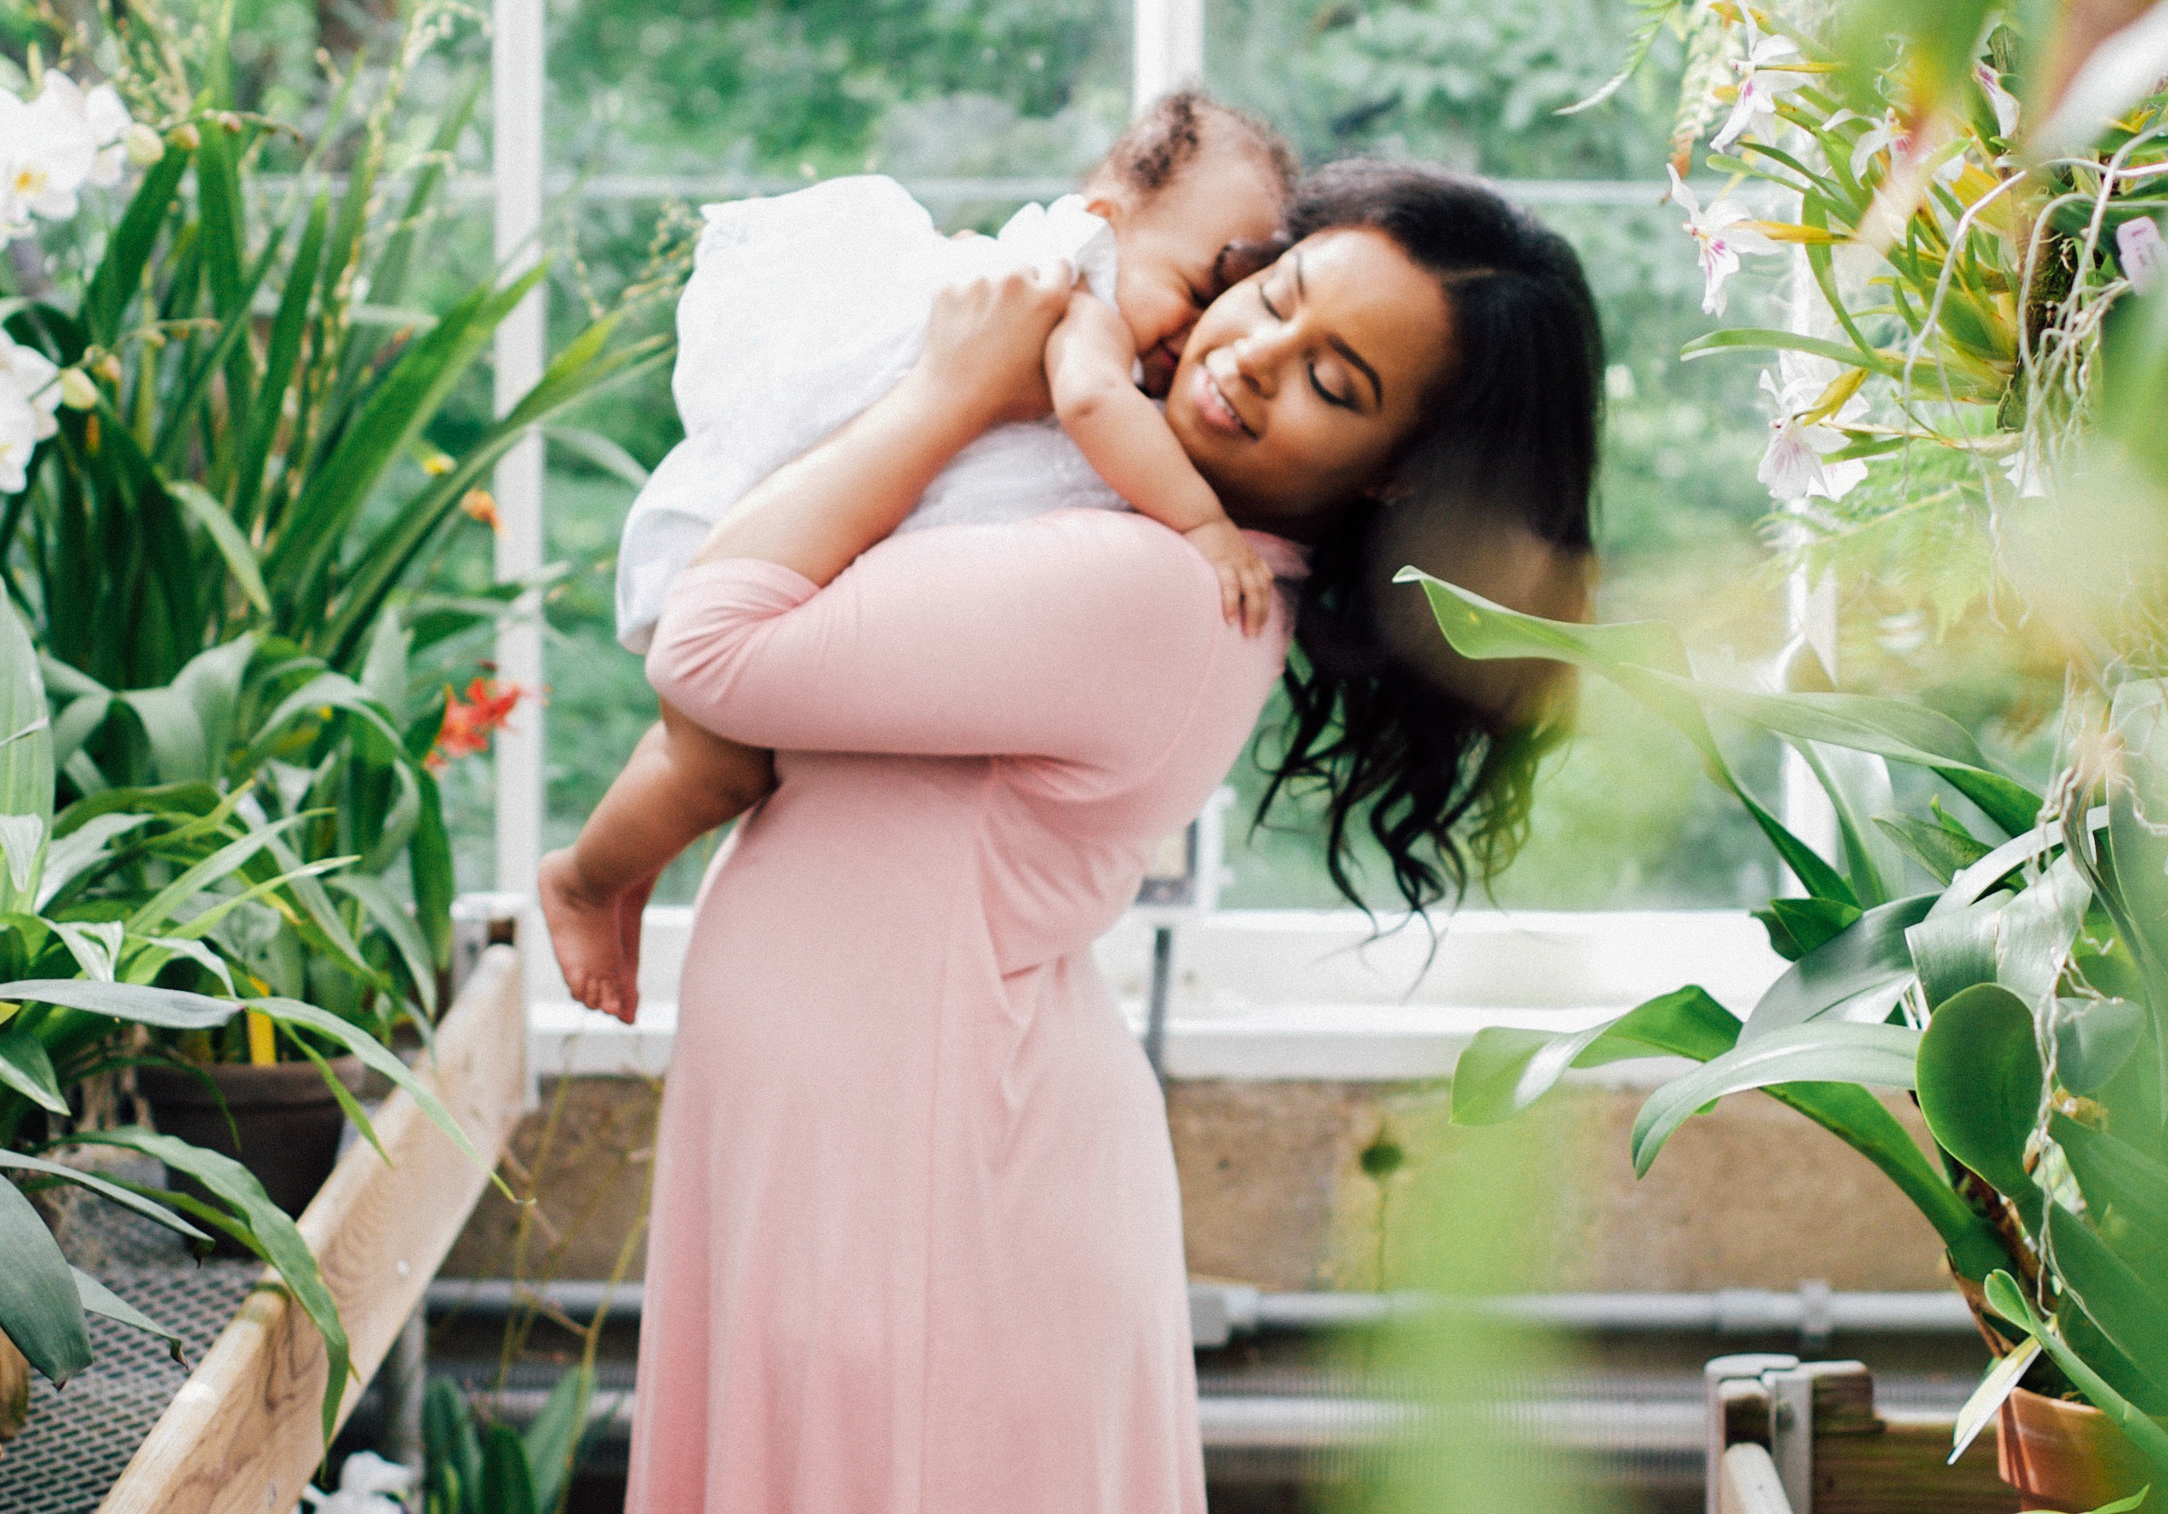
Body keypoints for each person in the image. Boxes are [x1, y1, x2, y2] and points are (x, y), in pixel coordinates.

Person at [555, 160, 1602, 1514]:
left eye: (1335, 384)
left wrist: (951, 387)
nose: (1249, 359)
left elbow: (707, 639)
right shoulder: (1129, 522)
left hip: (922, 1178)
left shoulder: (1162, 590)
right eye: (1276, 296)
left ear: (1401, 473)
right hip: (888, 1145)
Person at [552, 93, 1298, 1023]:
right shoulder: (1074, 297)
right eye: (1194, 292)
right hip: (751, 530)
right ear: (1108, 220)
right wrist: (1202, 528)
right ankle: (586, 882)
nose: (1196, 335)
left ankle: (616, 877)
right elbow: (1096, 406)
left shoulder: (1099, 300)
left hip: (806, 537)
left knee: (703, 760)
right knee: (718, 771)